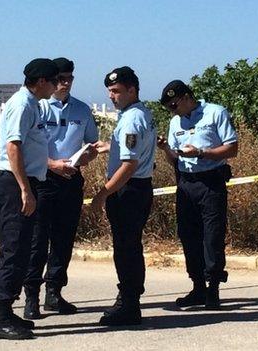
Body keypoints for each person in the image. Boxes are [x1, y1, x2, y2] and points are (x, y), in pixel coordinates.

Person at [23, 57, 99, 319]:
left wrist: (86, 157)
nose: (65, 83)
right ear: (52, 80)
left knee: (64, 238)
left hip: (71, 180)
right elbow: (23, 149)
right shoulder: (38, 107)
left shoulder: (82, 110)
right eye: (61, 79)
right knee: (37, 240)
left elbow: (92, 144)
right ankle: (31, 295)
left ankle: (54, 292)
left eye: (69, 79)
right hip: (44, 179)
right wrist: (52, 164)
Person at [0, 58, 59, 340]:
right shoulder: (22, 104)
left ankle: (9, 312)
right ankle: (0, 317)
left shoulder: (32, 104)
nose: (57, 86)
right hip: (14, 183)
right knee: (13, 247)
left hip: (26, 181)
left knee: (23, 249)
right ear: (42, 81)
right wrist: (24, 189)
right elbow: (13, 146)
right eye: (54, 80)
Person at [156, 80, 238, 309]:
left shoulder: (215, 112)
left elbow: (232, 148)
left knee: (212, 236)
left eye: (174, 105)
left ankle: (213, 288)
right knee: (188, 235)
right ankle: (198, 287)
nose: (173, 111)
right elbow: (175, 159)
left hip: (211, 180)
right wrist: (165, 149)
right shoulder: (175, 122)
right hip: (186, 183)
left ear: (185, 97)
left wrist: (201, 152)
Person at [90, 66, 156, 326]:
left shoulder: (131, 119)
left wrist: (102, 194)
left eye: (116, 91)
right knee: (130, 247)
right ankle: (129, 299)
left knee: (126, 249)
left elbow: (129, 166)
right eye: (109, 91)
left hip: (129, 192)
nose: (111, 96)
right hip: (138, 188)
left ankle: (128, 304)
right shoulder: (139, 113)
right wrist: (110, 146)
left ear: (132, 90)